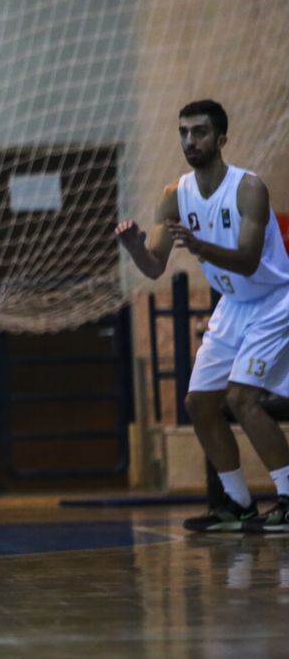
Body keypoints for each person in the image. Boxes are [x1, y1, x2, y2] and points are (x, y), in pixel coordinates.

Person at [115, 100, 289, 532]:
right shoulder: (174, 195)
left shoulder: (249, 188)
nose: (189, 140)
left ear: (221, 139)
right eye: (184, 132)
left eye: (199, 132)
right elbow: (155, 266)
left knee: (242, 398)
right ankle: (237, 503)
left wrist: (198, 247)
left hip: (274, 301)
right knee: (199, 403)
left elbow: (248, 261)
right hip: (233, 305)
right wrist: (135, 248)